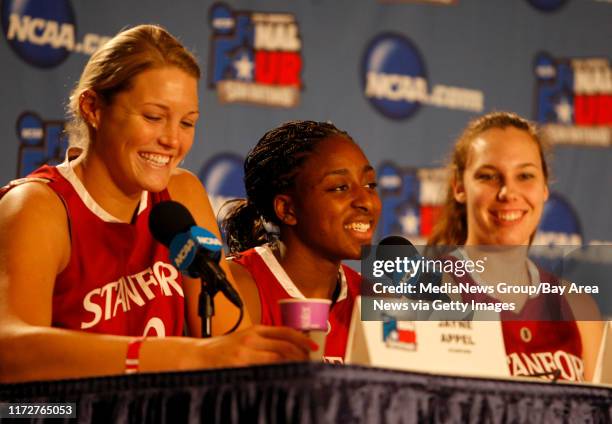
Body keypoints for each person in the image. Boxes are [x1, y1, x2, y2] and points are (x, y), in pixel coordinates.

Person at [0, 25, 314, 383]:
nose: (171, 140)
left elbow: (227, 340)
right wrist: (177, 357)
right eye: (153, 117)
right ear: (93, 108)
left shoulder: (181, 192)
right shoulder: (37, 206)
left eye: (187, 123)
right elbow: (10, 352)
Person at [428, 111, 604, 381]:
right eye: (488, 176)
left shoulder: (578, 307)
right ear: (459, 187)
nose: (508, 192)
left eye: (525, 176)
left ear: (544, 187)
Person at [220, 121, 381, 363]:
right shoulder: (236, 289)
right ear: (287, 209)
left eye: (370, 185)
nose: (366, 202)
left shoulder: (374, 300)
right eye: (340, 187)